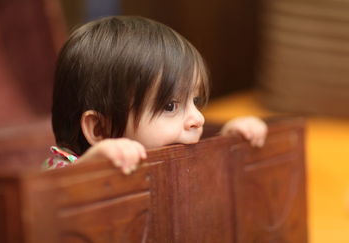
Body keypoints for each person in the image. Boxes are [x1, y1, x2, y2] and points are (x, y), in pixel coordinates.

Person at [43, 16, 267, 174]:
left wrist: (229, 142)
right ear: (101, 129)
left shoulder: (172, 153)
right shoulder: (59, 172)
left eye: (195, 101)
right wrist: (93, 168)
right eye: (170, 106)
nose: (199, 119)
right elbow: (49, 206)